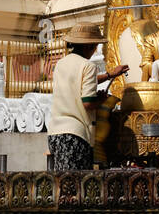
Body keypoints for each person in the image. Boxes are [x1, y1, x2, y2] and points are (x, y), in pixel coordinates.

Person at [48, 24, 127, 171]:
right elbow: (88, 103)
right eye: (95, 46)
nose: (95, 50)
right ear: (88, 46)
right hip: (75, 135)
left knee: (64, 184)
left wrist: (110, 75)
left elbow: (81, 80)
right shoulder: (88, 66)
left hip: (55, 133)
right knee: (78, 186)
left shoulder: (61, 63)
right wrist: (101, 99)